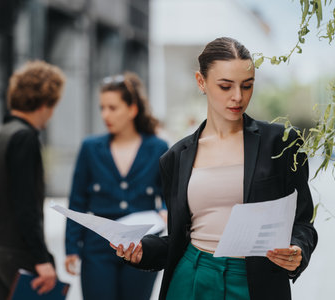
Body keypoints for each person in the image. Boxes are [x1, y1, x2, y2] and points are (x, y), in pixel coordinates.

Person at [112, 37, 318, 300]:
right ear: (201, 82)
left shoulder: (281, 143)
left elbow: (303, 222)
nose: (238, 97)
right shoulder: (175, 158)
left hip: (256, 282)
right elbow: (179, 238)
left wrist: (298, 249)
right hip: (192, 278)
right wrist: (143, 250)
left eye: (247, 86)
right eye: (225, 86)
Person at [65, 72, 169, 300]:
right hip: (97, 246)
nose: (105, 114)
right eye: (102, 107)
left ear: (132, 110)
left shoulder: (158, 147)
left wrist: (167, 212)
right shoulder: (90, 147)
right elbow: (77, 200)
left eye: (112, 108)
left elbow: (171, 195)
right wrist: (71, 248)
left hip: (141, 245)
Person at [0, 60, 66, 300]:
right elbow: (26, 206)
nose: (52, 114)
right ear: (45, 103)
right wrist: (42, 259)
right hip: (18, 253)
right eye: (54, 105)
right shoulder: (24, 138)